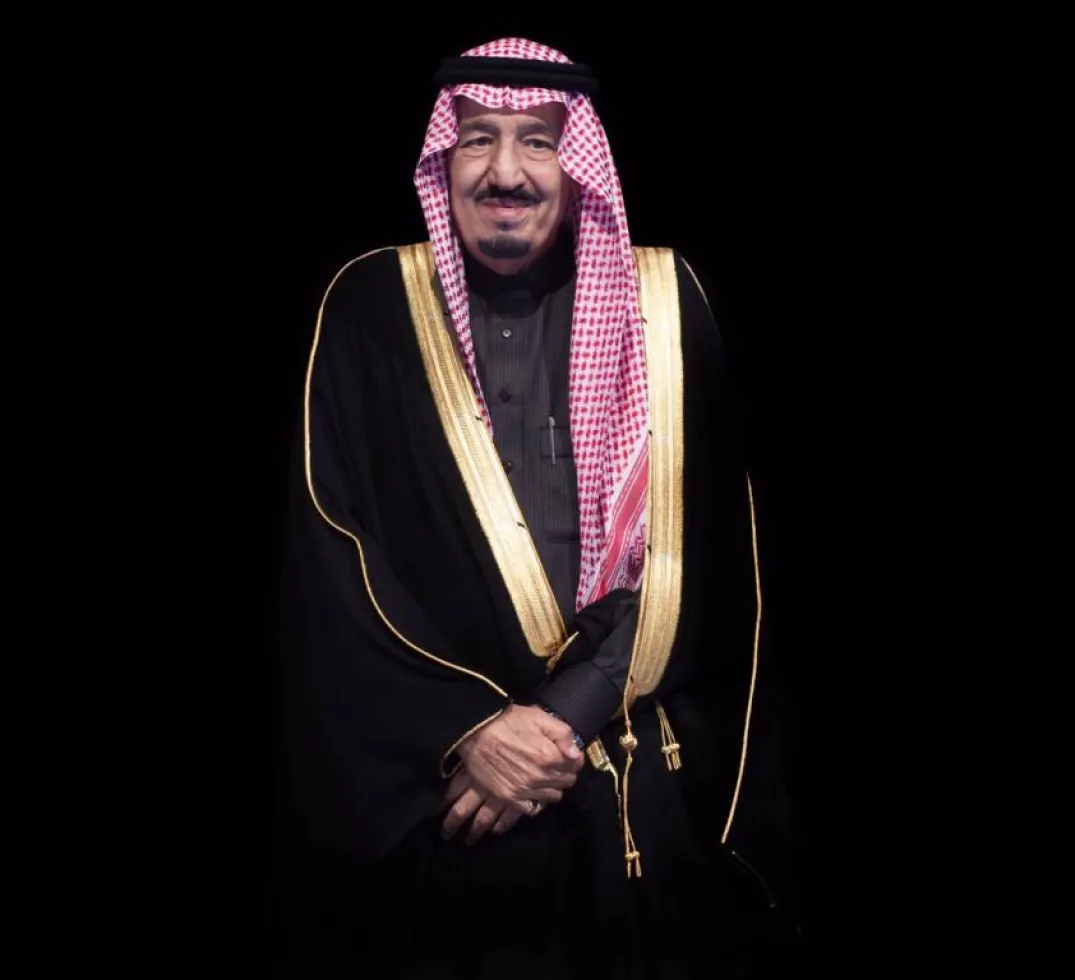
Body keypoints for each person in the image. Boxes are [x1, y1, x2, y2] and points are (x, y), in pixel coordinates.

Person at [274, 36, 794, 978]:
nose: (505, 172)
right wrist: (468, 732)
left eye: (539, 142)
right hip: (449, 807)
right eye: (478, 138)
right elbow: (326, 554)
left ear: (580, 162)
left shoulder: (664, 303)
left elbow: (710, 550)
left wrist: (566, 715)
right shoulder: (370, 306)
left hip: (636, 798)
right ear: (444, 159)